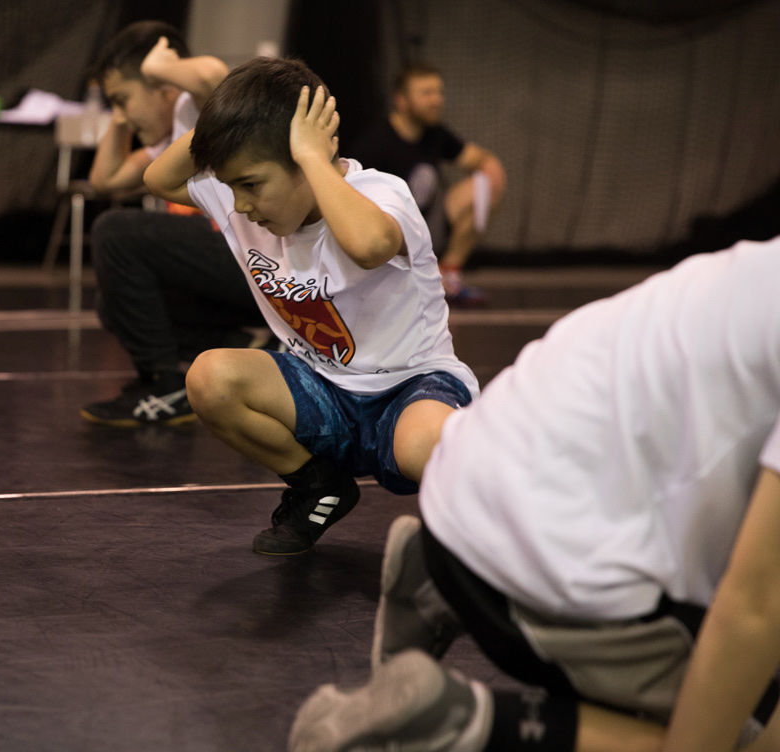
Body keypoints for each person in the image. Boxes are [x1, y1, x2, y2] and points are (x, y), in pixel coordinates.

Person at [288, 237, 780, 752]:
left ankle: (430, 577)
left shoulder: (752, 266)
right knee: (743, 730)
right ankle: (448, 721)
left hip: (463, 486)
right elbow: (754, 606)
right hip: (531, 566)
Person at [143, 57, 479, 555]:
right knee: (210, 378)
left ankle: (517, 521)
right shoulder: (252, 192)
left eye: (251, 186)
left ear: (308, 160)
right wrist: (222, 107)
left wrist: (313, 157)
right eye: (232, 187)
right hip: (322, 388)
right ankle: (319, 484)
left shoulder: (380, 193)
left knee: (427, 449)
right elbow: (159, 179)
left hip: (410, 385)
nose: (238, 205)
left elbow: (368, 245)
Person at [80, 20, 270, 427]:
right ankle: (251, 348)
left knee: (116, 232)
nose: (123, 114)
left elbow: (212, 75)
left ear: (164, 87)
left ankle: (166, 381)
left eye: (124, 99)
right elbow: (105, 180)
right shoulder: (170, 140)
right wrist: (120, 116)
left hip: (265, 262)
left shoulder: (197, 110)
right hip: (235, 273)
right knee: (113, 304)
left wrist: (159, 68)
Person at [349, 62, 506, 306]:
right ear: (401, 100)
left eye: (438, 92)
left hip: (424, 229)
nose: (436, 100)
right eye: (426, 93)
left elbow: (479, 160)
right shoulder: (375, 144)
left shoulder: (435, 133)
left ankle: (448, 276)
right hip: (386, 237)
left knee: (485, 185)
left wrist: (491, 167)